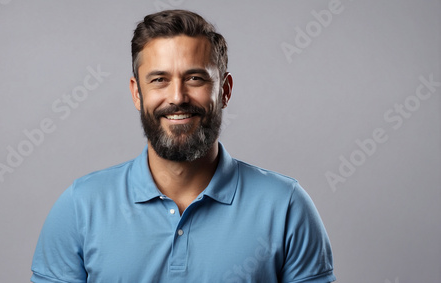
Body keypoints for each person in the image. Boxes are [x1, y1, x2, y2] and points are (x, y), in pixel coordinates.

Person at [31, 9, 336, 283]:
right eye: (159, 80)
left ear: (225, 91)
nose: (177, 97)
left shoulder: (286, 206)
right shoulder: (80, 206)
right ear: (137, 93)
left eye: (195, 78)